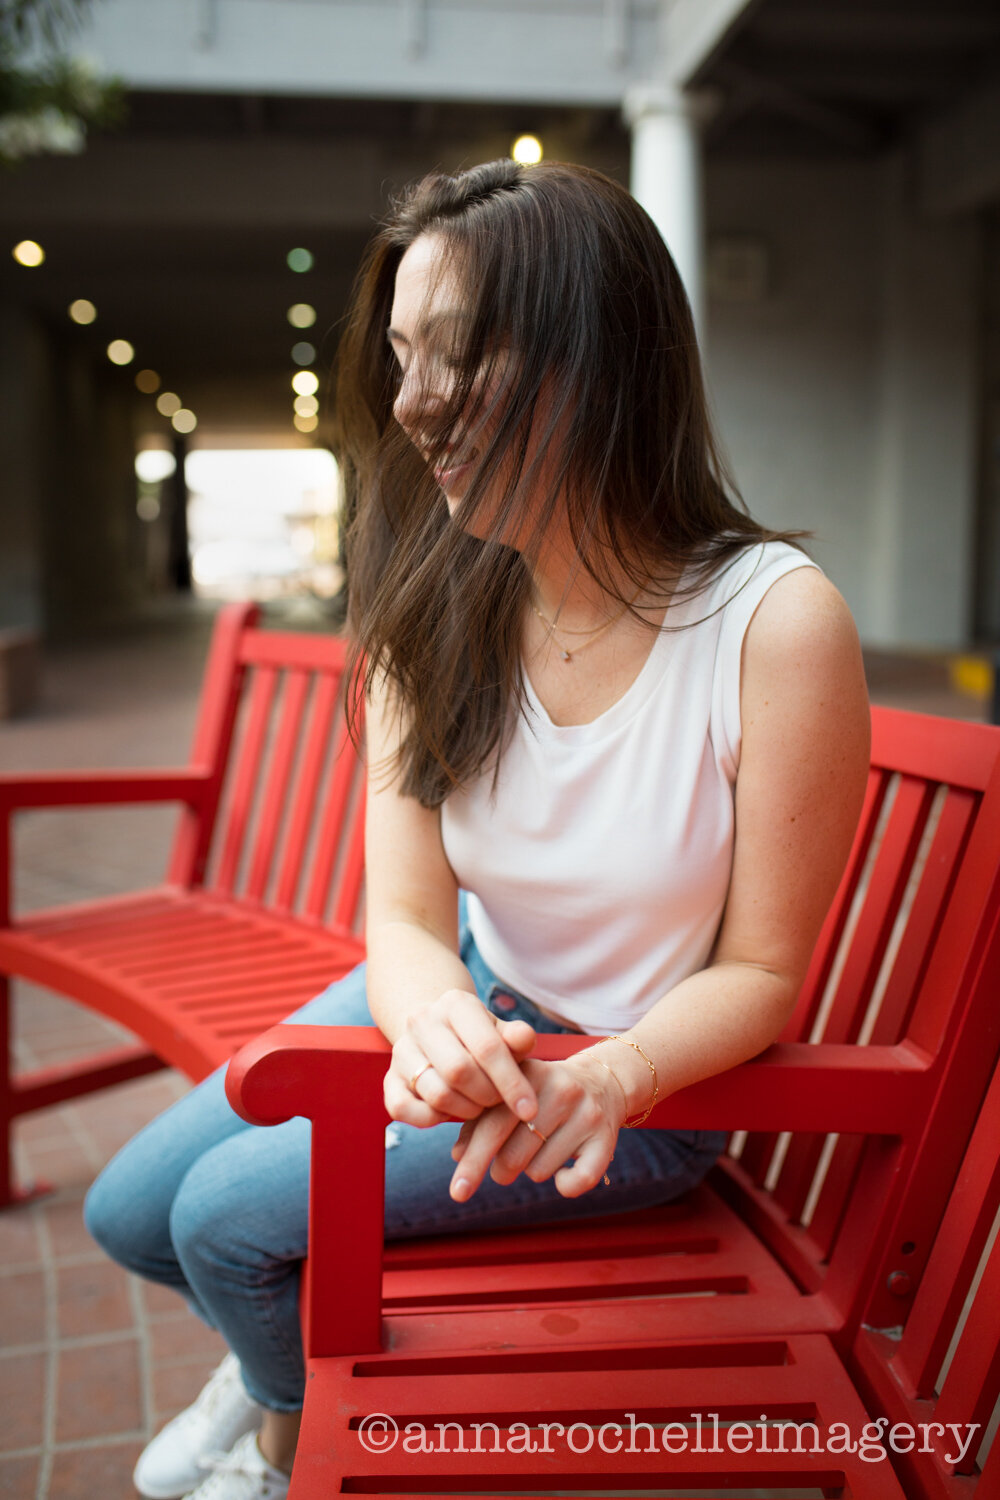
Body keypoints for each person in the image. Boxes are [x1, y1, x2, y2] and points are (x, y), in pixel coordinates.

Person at [84, 158, 870, 1500]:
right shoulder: (432, 601)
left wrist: (612, 1076)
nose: (412, 404)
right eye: (399, 361)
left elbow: (764, 976)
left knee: (226, 1225)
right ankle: (269, 1352)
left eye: (454, 357)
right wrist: (435, 1004)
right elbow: (399, 918)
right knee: (130, 1213)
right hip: (473, 1000)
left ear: (600, 357)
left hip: (644, 1084)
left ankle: (282, 1432)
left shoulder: (774, 624)